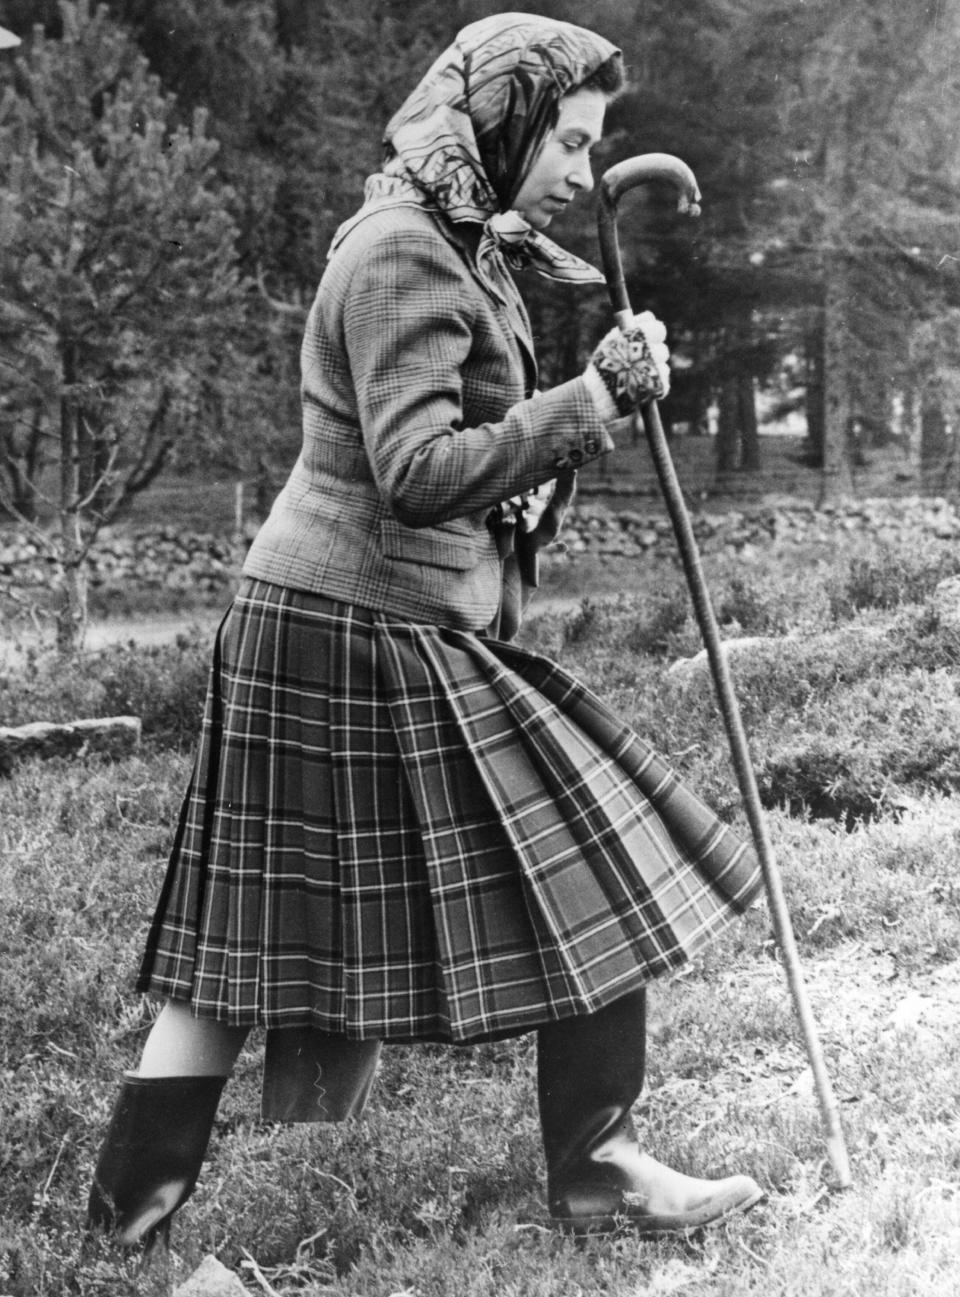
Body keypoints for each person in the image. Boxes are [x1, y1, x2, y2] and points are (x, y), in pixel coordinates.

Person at [87, 12, 764, 1250]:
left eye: (588, 144)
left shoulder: (461, 241)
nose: (576, 170)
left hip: (353, 617)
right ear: (498, 123)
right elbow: (411, 467)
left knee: (246, 949)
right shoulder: (405, 250)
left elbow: (482, 466)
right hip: (347, 625)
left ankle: (119, 1237)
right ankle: (126, 1239)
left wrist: (582, 417)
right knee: (575, 837)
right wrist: (587, 397)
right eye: (564, 139)